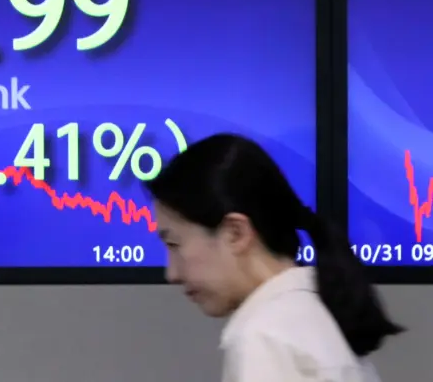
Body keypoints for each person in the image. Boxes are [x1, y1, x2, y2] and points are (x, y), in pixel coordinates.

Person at [144, 133, 403, 382]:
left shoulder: (264, 337)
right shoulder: (314, 317)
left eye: (174, 244)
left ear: (235, 233)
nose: (172, 274)